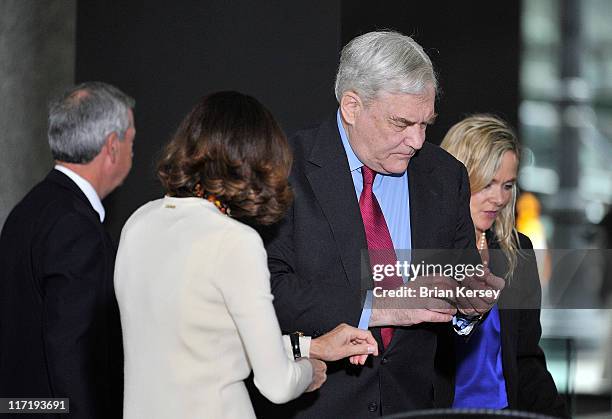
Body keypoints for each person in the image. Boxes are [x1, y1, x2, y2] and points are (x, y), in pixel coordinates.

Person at [254, 30, 504, 418]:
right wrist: (379, 306)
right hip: (316, 404)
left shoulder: (444, 175)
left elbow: (461, 277)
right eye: (401, 123)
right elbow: (267, 291)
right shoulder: (284, 169)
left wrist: (469, 308)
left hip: (417, 405)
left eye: (426, 124)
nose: (417, 140)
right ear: (352, 106)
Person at [114, 91, 378, 419]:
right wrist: (310, 370)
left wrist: (311, 346)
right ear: (255, 160)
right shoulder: (234, 240)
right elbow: (278, 385)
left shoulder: (138, 223)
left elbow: (201, 343)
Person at [0, 82, 135, 418]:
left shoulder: (29, 209)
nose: (133, 152)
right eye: (132, 140)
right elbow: (72, 354)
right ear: (112, 147)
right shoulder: (75, 226)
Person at [441, 114, 568, 417]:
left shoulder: (517, 251)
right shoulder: (422, 250)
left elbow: (525, 359)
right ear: (457, 180)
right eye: (486, 184)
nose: (498, 198)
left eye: (507, 185)